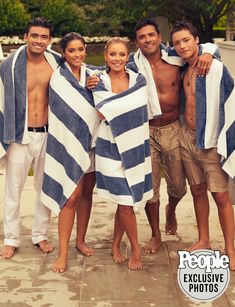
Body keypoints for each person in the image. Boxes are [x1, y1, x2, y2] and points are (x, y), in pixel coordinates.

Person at [126, 19, 218, 254]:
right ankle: (156, 235)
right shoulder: (132, 66)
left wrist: (209, 50)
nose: (147, 40)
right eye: (141, 37)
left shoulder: (175, 59)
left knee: (178, 186)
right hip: (146, 132)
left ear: (159, 37)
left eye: (150, 35)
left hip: (173, 128)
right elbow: (108, 68)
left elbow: (201, 50)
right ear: (137, 41)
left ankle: (172, 209)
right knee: (151, 189)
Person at [171, 20, 235, 269]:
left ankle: (230, 247)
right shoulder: (180, 67)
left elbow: (231, 99)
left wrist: (225, 139)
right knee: (197, 190)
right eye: (177, 42)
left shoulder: (214, 66)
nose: (181, 46)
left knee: (220, 196)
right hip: (187, 138)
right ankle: (204, 239)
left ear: (197, 40)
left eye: (186, 40)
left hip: (210, 142)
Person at [0, 17, 61, 259]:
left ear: (50, 40)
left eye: (43, 37)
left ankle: (40, 235)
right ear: (25, 37)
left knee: (44, 189)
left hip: (48, 134)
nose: (38, 40)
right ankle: (11, 238)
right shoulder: (9, 65)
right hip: (19, 135)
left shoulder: (57, 63)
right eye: (34, 35)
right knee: (13, 190)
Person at [92, 37, 152, 270]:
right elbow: (102, 110)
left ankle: (116, 244)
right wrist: (118, 107)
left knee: (124, 201)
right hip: (109, 148)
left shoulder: (138, 80)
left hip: (135, 146)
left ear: (128, 56)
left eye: (122, 54)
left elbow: (131, 108)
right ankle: (135, 249)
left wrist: (115, 107)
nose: (117, 59)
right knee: (126, 202)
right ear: (106, 56)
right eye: (113, 54)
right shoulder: (98, 81)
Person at [41, 32, 99, 273]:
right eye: (72, 50)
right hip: (68, 144)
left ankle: (81, 240)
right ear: (63, 53)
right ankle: (63, 253)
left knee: (87, 192)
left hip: (93, 144)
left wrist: (95, 85)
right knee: (71, 197)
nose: (77, 54)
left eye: (81, 49)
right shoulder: (58, 78)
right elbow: (62, 112)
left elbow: (120, 69)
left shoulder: (94, 75)